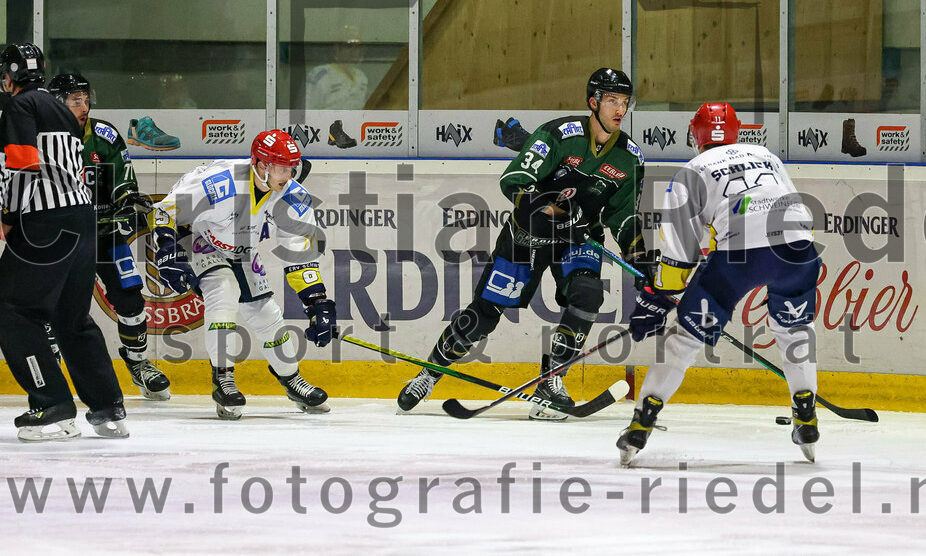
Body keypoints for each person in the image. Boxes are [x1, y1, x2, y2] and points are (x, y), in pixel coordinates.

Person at [398, 68, 657, 420]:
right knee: (483, 316)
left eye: (624, 102)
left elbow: (623, 217)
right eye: (612, 101)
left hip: (577, 240)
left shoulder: (629, 158)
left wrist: (638, 256)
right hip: (527, 236)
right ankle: (429, 374)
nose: (619, 110)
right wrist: (547, 207)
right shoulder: (559, 135)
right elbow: (515, 180)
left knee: (588, 293)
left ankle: (551, 382)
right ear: (593, 102)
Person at [617, 102, 821, 465]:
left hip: (740, 258)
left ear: (695, 134)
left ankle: (641, 424)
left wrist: (659, 297)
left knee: (684, 340)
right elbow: (792, 207)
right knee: (794, 330)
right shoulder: (765, 155)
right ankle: (805, 412)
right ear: (736, 131)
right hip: (799, 251)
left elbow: (680, 250)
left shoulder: (692, 170)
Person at [148, 129, 335, 419]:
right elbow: (164, 211)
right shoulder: (221, 184)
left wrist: (317, 302)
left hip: (242, 246)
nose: (288, 175)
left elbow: (299, 255)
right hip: (199, 236)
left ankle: (291, 379)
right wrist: (167, 252)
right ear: (260, 164)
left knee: (266, 313)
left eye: (291, 168)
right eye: (281, 168)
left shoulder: (294, 196)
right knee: (223, 292)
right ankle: (223, 378)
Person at [0, 43, 128, 441]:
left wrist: (6, 215)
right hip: (81, 220)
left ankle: (51, 404)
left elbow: (22, 165)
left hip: (45, 223)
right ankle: (108, 408)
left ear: (13, 74)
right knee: (71, 317)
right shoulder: (59, 109)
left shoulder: (21, 108)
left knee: (12, 310)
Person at [48, 73, 171, 400]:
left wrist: (127, 197)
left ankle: (138, 362)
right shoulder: (40, 137)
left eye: (86, 100)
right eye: (76, 101)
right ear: (58, 101)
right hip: (59, 238)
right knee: (50, 302)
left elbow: (121, 176)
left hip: (105, 233)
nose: (84, 106)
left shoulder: (103, 135)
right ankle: (49, 371)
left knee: (130, 296)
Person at [304, 26, 369, 111]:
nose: (353, 50)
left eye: (357, 47)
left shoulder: (361, 77)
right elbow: (308, 108)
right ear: (337, 48)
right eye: (348, 46)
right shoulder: (321, 74)